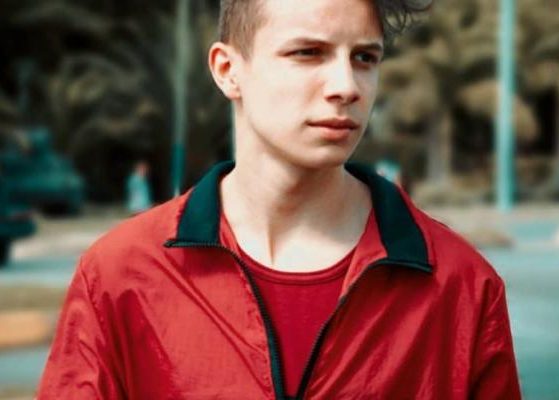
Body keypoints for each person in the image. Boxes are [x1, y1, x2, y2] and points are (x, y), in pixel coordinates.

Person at [38, 0, 521, 399]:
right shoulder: (119, 274)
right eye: (308, 53)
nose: (346, 87)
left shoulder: (462, 285)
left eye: (364, 58)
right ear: (227, 70)